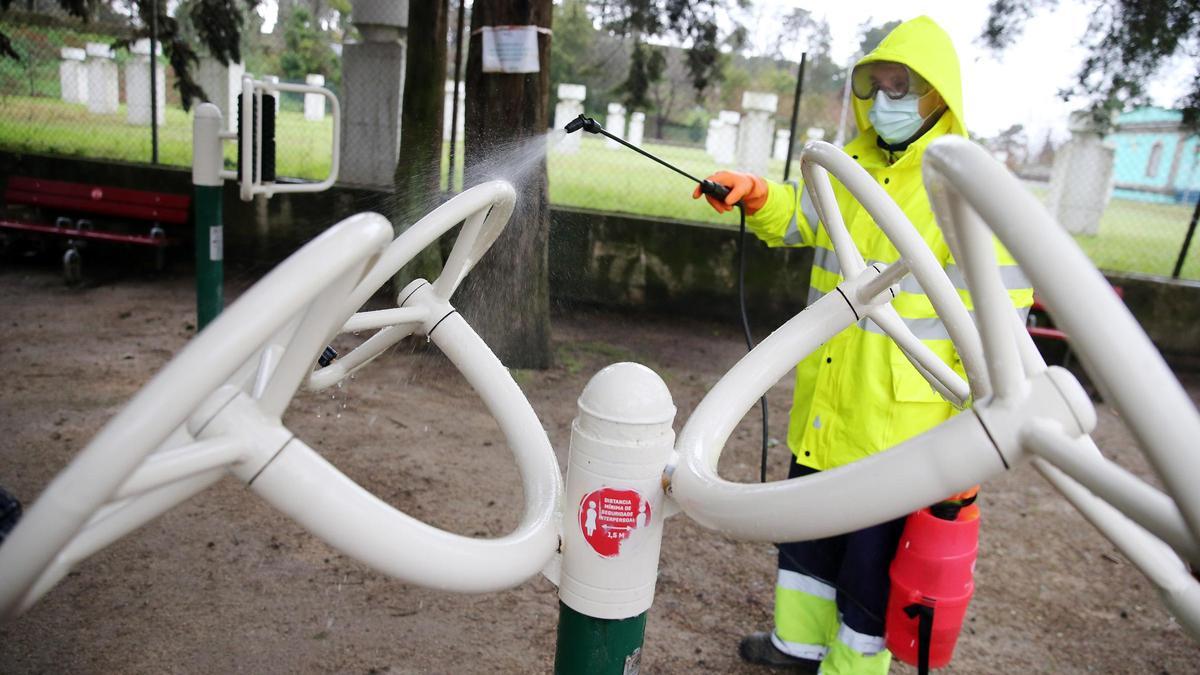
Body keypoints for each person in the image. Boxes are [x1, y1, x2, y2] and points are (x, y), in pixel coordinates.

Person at [692, 16, 1032, 675]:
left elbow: (999, 332)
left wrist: (972, 447)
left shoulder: (964, 192)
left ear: (940, 95)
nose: (886, 100)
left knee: (871, 574)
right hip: (825, 409)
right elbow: (801, 215)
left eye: (902, 86)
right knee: (807, 547)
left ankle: (850, 669)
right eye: (875, 86)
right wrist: (758, 194)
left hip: (899, 434)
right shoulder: (849, 169)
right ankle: (797, 647)